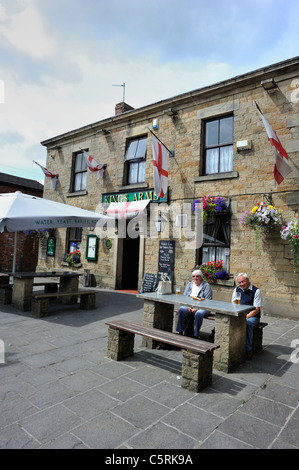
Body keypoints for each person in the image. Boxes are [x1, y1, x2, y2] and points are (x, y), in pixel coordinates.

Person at [232, 273, 263, 360]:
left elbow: (256, 309)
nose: (241, 284)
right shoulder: (237, 289)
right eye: (239, 282)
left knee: (247, 324)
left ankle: (249, 349)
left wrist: (245, 317)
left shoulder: (256, 291)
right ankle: (235, 346)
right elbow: (234, 302)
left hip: (253, 317)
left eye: (243, 282)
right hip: (240, 314)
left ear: (248, 280)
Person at [176, 269, 212, 338]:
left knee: (199, 313)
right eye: (193, 276)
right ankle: (180, 331)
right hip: (190, 306)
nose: (195, 278)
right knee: (181, 309)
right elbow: (184, 297)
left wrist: (198, 308)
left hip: (203, 307)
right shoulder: (190, 284)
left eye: (197, 276)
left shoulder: (206, 286)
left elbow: (208, 301)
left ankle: (196, 334)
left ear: (201, 277)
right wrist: (187, 306)